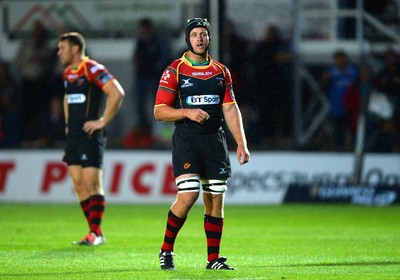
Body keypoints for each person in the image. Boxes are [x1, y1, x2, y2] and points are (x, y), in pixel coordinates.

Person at [154, 18, 250, 270]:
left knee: (215, 200)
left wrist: (241, 142)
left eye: (203, 34)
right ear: (188, 39)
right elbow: (160, 111)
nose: (199, 38)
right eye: (194, 34)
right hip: (187, 138)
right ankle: (166, 250)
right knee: (188, 195)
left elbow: (230, 108)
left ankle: (213, 259)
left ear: (209, 38)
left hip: (214, 140)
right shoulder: (175, 69)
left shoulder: (221, 71)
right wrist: (186, 112)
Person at [57, 32, 125, 245]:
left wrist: (103, 121)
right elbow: (68, 99)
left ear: (75, 49)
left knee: (92, 184)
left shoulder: (92, 68)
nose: (59, 53)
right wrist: (68, 125)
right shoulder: (68, 73)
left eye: (63, 48)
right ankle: (94, 232)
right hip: (75, 135)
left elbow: (117, 93)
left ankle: (95, 233)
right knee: (78, 184)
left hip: (90, 134)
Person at [320, 50, 358, 149]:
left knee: (353, 130)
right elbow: (323, 88)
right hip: (337, 107)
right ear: (335, 60)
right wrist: (325, 79)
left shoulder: (353, 71)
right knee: (338, 132)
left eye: (343, 59)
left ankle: (353, 148)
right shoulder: (331, 72)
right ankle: (339, 149)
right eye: (338, 59)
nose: (341, 61)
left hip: (351, 107)